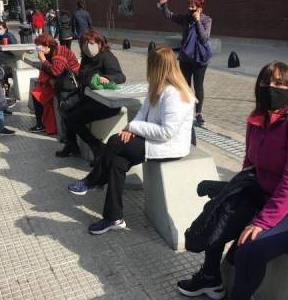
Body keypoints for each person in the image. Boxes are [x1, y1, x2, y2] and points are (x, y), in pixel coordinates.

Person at [177, 61, 288, 300]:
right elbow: (249, 166)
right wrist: (230, 191)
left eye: (280, 83)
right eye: (266, 81)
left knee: (250, 248)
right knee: (220, 208)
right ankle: (210, 278)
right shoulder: (256, 120)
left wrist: (262, 221)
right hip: (266, 195)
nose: (271, 87)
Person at [67, 46, 195, 235]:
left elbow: (167, 132)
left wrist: (132, 128)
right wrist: (131, 128)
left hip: (169, 146)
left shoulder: (175, 94)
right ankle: (114, 218)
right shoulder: (158, 87)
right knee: (118, 161)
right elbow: (142, 114)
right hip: (153, 139)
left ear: (158, 67)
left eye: (150, 65)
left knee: (115, 142)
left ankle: (93, 180)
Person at [55, 29, 126, 160]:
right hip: (88, 98)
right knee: (64, 108)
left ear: (99, 43)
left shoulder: (107, 57)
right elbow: (83, 79)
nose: (88, 46)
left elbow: (120, 77)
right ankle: (71, 145)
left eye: (91, 42)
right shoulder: (86, 59)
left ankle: (96, 146)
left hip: (105, 102)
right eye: (84, 43)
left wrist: (107, 78)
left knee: (73, 117)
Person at [159, 0, 212, 127]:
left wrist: (198, 20)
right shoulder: (185, 19)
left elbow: (204, 38)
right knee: (185, 86)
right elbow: (169, 15)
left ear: (199, 8)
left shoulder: (207, 20)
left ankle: (198, 114)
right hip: (186, 59)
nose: (190, 8)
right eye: (189, 6)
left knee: (198, 87)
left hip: (200, 60)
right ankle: (186, 111)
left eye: (193, 6)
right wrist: (164, 5)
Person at [29, 34, 80, 134]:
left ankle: (42, 124)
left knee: (38, 94)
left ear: (47, 44)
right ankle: (42, 123)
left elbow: (56, 71)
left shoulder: (59, 53)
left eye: (39, 45)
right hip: (60, 80)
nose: (37, 48)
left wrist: (43, 60)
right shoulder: (52, 50)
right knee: (36, 91)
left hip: (70, 83)